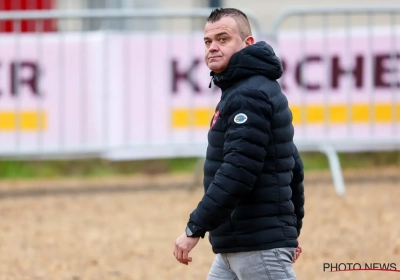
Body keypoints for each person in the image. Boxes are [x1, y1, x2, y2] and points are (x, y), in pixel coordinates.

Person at [173, 7, 305, 280]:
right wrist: (289, 233)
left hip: (257, 248)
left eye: (223, 39)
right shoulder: (244, 90)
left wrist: (194, 228)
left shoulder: (249, 95)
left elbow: (237, 171)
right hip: (238, 246)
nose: (213, 47)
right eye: (208, 41)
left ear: (248, 44)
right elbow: (293, 165)